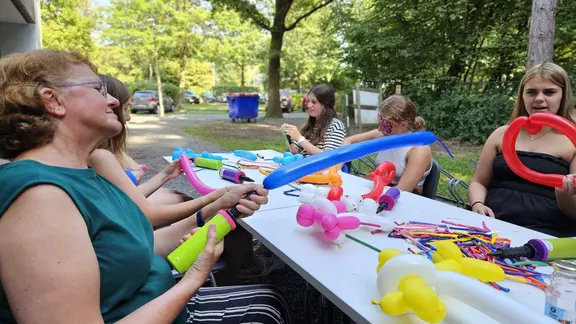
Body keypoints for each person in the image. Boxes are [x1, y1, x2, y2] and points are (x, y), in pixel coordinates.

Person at [0, 49, 291, 323]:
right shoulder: (39, 197)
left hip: (156, 300)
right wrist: (192, 280)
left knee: (269, 301)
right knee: (265, 309)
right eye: (98, 90)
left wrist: (217, 208)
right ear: (53, 100)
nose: (113, 101)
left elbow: (141, 246)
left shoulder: (77, 174)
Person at [92, 75, 283, 284]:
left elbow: (129, 206)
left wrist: (169, 177)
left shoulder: (96, 157)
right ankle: (240, 275)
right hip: (139, 268)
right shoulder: (99, 158)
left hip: (137, 246)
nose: (127, 117)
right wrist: (214, 202)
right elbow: (146, 217)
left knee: (185, 200)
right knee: (228, 227)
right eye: (125, 109)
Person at [468, 62, 576, 237]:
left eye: (549, 92)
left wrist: (563, 191)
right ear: (522, 95)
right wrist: (477, 204)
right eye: (531, 92)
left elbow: (573, 212)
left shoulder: (572, 141)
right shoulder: (501, 134)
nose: (539, 98)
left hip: (544, 235)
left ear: (563, 95)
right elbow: (478, 182)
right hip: (489, 226)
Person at [98, 75, 190, 205]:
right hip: (123, 210)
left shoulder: (106, 150)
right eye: (125, 109)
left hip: (124, 205)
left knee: (181, 197)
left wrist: (166, 174)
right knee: (184, 201)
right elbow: (126, 200)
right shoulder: (98, 155)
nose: (129, 117)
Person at [341, 95, 432, 194]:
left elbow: (402, 190)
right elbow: (348, 141)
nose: (380, 129)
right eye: (379, 120)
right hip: (381, 188)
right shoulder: (384, 134)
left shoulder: (419, 149)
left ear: (403, 125)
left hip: (405, 199)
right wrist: (338, 167)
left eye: (385, 125)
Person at [281, 84, 346, 156]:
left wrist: (300, 139)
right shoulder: (311, 125)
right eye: (308, 101)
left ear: (326, 105)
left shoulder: (336, 125)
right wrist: (289, 137)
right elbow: (295, 152)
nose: (309, 105)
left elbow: (328, 157)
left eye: (314, 102)